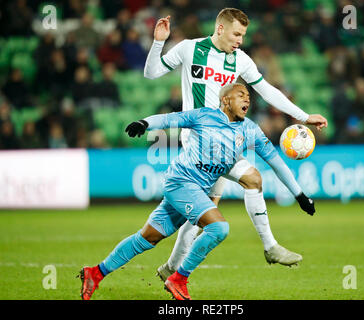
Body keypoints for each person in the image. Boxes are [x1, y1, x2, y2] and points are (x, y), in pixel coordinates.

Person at [79, 83, 316, 300]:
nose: (247, 100)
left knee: (147, 238)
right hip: (181, 182)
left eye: (249, 97)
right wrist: (144, 123)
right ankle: (178, 279)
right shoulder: (205, 116)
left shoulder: (250, 130)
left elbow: (276, 161)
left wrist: (300, 195)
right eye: (241, 94)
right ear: (225, 100)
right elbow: (170, 119)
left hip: (194, 190)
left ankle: (95, 273)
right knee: (219, 228)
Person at [143, 8, 328, 279]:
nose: (241, 39)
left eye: (243, 34)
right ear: (220, 28)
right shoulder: (189, 49)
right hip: (197, 138)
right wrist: (159, 41)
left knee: (204, 211)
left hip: (223, 137)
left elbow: (266, 91)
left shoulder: (240, 60)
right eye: (237, 33)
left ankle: (171, 268)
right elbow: (151, 73)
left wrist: (302, 116)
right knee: (252, 179)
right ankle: (270, 246)